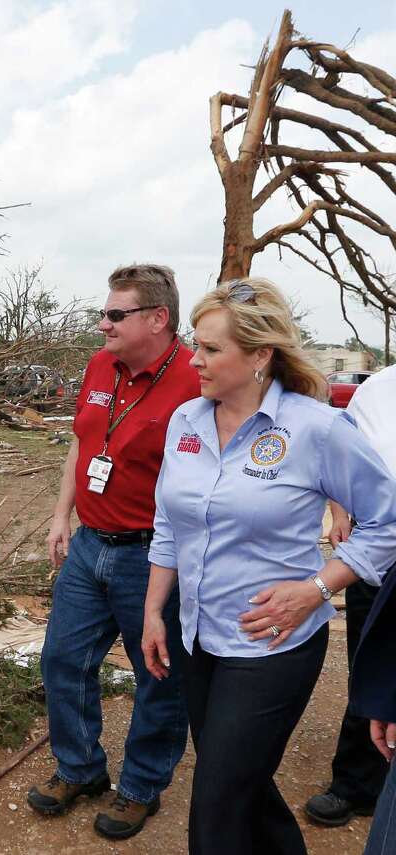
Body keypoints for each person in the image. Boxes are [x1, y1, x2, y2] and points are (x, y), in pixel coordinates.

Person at [142, 278, 396, 855]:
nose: (194, 360)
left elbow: (388, 523)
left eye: (210, 349)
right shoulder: (186, 421)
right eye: (195, 345)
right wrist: (155, 610)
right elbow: (168, 524)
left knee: (216, 805)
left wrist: (316, 589)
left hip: (271, 646)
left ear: (259, 355)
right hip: (197, 637)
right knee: (242, 787)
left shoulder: (318, 428)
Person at [28, 264, 199, 840]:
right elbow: (83, 440)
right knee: (63, 659)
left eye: (115, 315)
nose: (103, 325)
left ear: (158, 319)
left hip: (153, 556)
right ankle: (79, 769)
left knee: (157, 675)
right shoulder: (101, 365)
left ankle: (142, 786)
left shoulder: (195, 379)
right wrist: (61, 514)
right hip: (89, 545)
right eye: (103, 313)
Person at [305, 365, 394, 827]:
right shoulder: (376, 391)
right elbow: (338, 463)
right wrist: (339, 512)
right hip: (380, 554)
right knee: (370, 666)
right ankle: (357, 783)